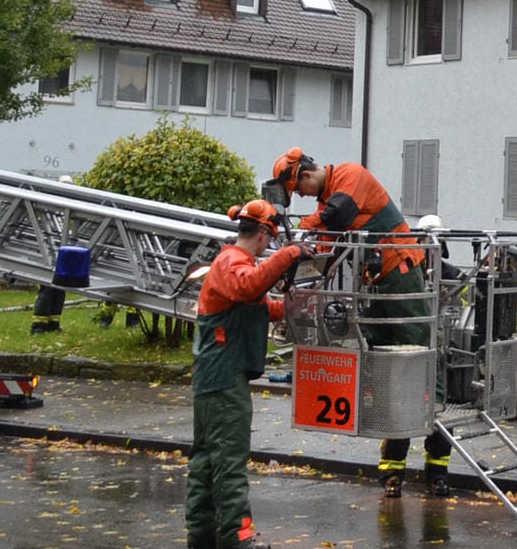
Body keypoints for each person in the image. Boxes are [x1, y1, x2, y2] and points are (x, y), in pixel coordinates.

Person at [265, 147, 452, 499]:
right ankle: (392, 471)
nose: (302, 196)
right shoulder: (327, 199)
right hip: (377, 280)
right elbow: (325, 238)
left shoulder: (350, 176)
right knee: (383, 364)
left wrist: (304, 225)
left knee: (421, 355)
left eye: (299, 190)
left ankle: (436, 449)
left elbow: (337, 216)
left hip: (400, 271)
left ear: (304, 175)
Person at [186, 200, 303, 549]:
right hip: (223, 378)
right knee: (228, 460)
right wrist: (289, 256)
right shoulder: (232, 262)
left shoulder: (234, 264)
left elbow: (263, 306)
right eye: (272, 241)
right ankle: (236, 538)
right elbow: (249, 287)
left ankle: (203, 537)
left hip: (217, 376)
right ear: (265, 234)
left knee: (208, 462)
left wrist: (301, 305)